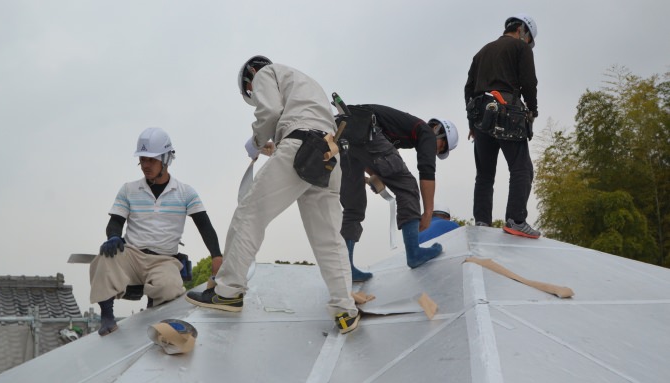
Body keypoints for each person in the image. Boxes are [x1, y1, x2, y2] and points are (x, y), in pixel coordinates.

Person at [185, 55, 360, 334]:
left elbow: (270, 113)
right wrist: (275, 145)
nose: (254, 94)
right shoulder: (305, 82)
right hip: (327, 154)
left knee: (249, 213)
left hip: (301, 145)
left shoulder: (266, 73)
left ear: (250, 77)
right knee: (329, 239)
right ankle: (345, 310)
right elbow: (296, 121)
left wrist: (255, 143)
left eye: (251, 93)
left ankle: (227, 291)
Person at [90, 127, 223, 336]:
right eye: (142, 159)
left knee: (169, 287)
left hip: (164, 259)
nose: (145, 165)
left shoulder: (185, 192)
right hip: (132, 254)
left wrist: (216, 256)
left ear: (166, 159)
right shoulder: (128, 189)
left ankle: (154, 307)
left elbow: (204, 226)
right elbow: (115, 221)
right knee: (103, 259)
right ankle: (107, 317)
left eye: (151, 160)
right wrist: (113, 236)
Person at [338, 105, 458, 281]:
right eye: (440, 148)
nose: (435, 151)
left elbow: (367, 153)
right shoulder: (425, 131)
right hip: (364, 128)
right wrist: (428, 213)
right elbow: (426, 171)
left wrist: (375, 176)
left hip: (343, 135)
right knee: (407, 186)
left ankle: (345, 270)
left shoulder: (400, 131)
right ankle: (414, 252)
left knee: (353, 207)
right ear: (439, 134)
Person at [464, 14, 541, 239]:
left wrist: (472, 123)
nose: (528, 44)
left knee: (485, 174)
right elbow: (529, 81)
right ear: (522, 31)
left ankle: (482, 222)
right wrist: (533, 110)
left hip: (481, 116)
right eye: (528, 39)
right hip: (507, 111)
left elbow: (468, 89)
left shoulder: (481, 52)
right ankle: (516, 220)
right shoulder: (520, 47)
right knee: (522, 168)